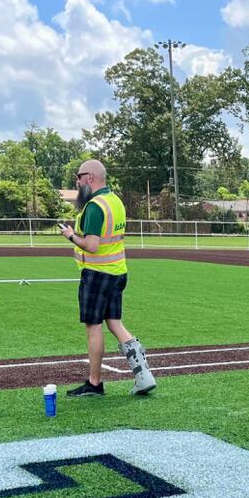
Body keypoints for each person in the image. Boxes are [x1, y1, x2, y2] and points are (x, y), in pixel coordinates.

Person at [60, 159, 156, 396]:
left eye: (79, 177)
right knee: (115, 323)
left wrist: (71, 236)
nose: (78, 181)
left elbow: (91, 245)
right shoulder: (116, 202)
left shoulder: (94, 206)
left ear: (89, 178)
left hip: (97, 274)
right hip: (118, 272)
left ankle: (94, 383)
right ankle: (144, 375)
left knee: (94, 327)